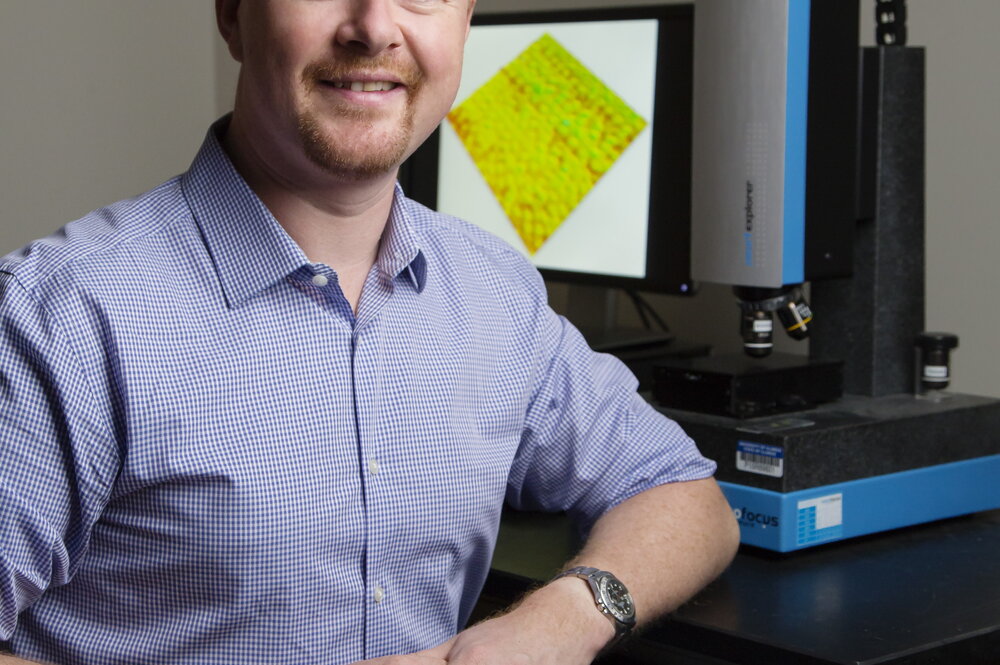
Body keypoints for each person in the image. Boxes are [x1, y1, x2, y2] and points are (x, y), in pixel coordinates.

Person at [0, 0, 739, 663]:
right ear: (232, 15)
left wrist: (562, 618)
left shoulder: (492, 289)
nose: (376, 26)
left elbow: (681, 492)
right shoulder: (59, 317)